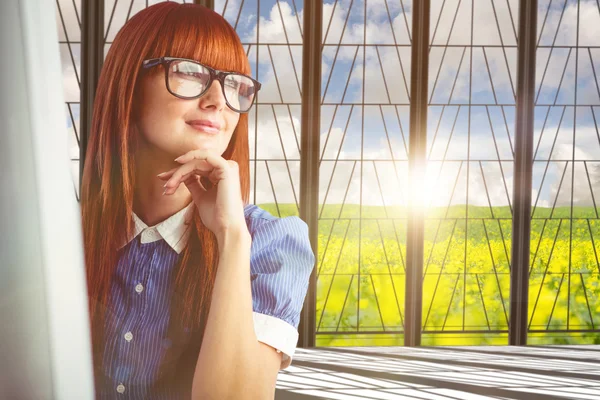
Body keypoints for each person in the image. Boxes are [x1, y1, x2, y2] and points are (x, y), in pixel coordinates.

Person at [80, 3, 315, 399]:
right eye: (189, 73)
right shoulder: (58, 234)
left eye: (234, 84)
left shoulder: (273, 242)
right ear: (129, 85)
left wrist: (232, 238)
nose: (217, 100)